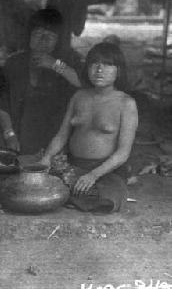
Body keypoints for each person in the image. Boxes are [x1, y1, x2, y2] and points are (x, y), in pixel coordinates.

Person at [39, 42, 138, 213]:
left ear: (118, 71)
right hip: (74, 166)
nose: (99, 69)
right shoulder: (79, 96)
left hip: (107, 171)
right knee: (37, 183)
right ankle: (70, 192)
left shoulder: (126, 104)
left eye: (107, 64)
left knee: (106, 198)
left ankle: (73, 195)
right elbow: (62, 135)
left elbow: (123, 153)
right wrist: (46, 158)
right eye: (94, 63)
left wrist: (93, 175)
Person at [4, 8, 82, 155]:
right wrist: (9, 134)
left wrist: (55, 64)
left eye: (50, 36)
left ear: (59, 41)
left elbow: (83, 83)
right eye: (38, 34)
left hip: (56, 136)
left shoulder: (69, 60)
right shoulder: (14, 62)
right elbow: (2, 103)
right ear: (29, 36)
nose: (43, 41)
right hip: (19, 136)